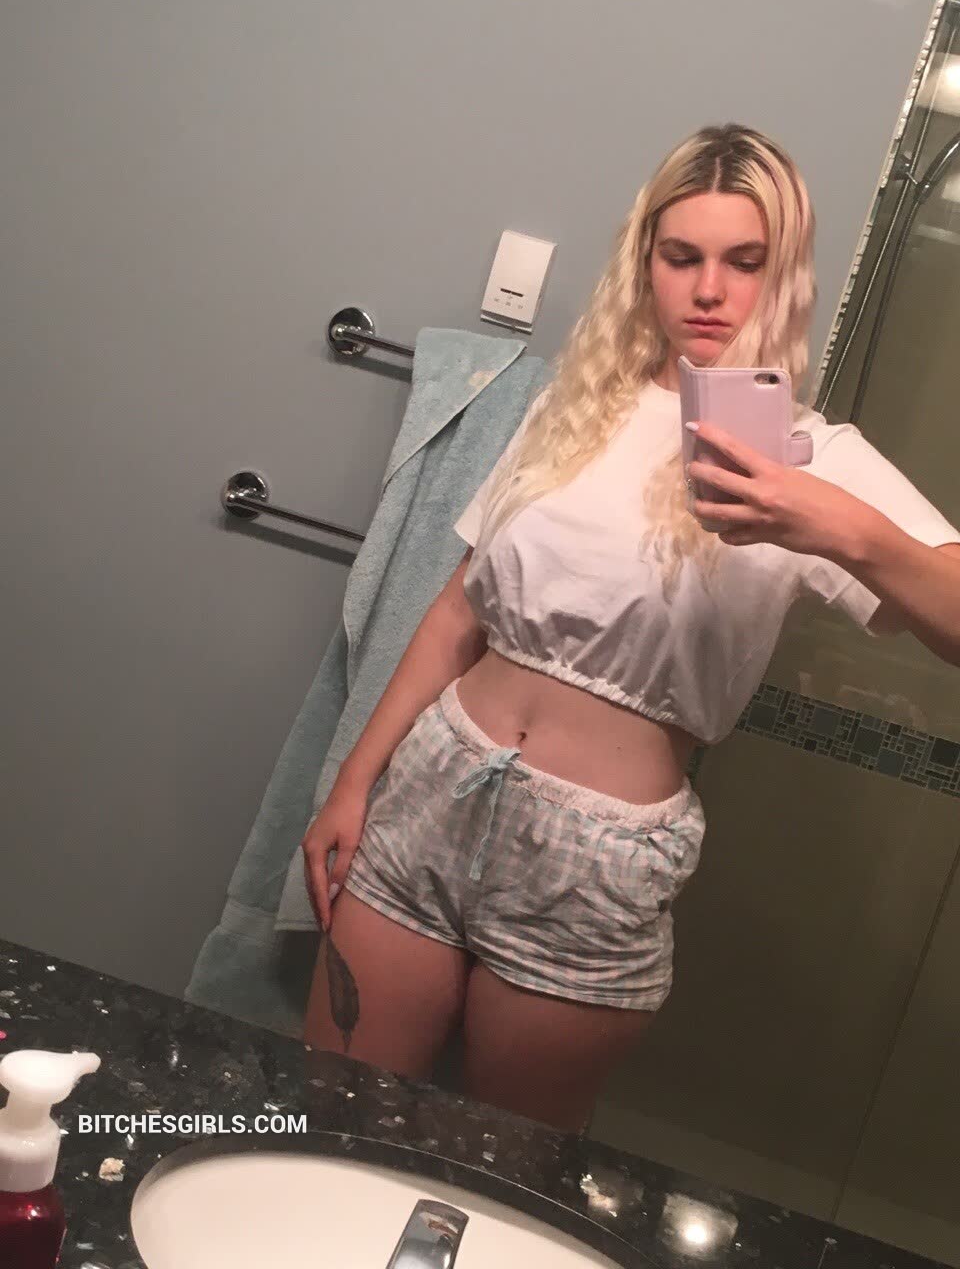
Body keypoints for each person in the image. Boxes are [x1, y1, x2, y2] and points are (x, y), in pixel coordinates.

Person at [300, 123, 960, 1132]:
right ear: (644, 262)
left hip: (596, 863)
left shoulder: (813, 459)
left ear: (784, 276)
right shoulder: (575, 409)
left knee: (500, 1173)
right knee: (326, 1127)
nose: (710, 289)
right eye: (681, 255)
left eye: (745, 261)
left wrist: (835, 526)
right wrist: (355, 781)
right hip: (430, 789)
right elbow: (459, 610)